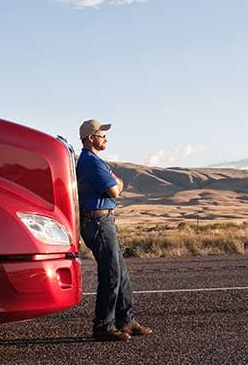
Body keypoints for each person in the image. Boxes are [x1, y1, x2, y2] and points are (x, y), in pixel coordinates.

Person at [76, 119, 152, 342]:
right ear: (91, 138)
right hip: (98, 223)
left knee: (121, 274)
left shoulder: (92, 161)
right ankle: (103, 325)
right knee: (111, 274)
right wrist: (117, 180)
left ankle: (126, 320)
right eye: (102, 135)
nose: (105, 138)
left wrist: (115, 181)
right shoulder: (91, 162)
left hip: (103, 221)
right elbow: (114, 190)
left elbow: (113, 186)